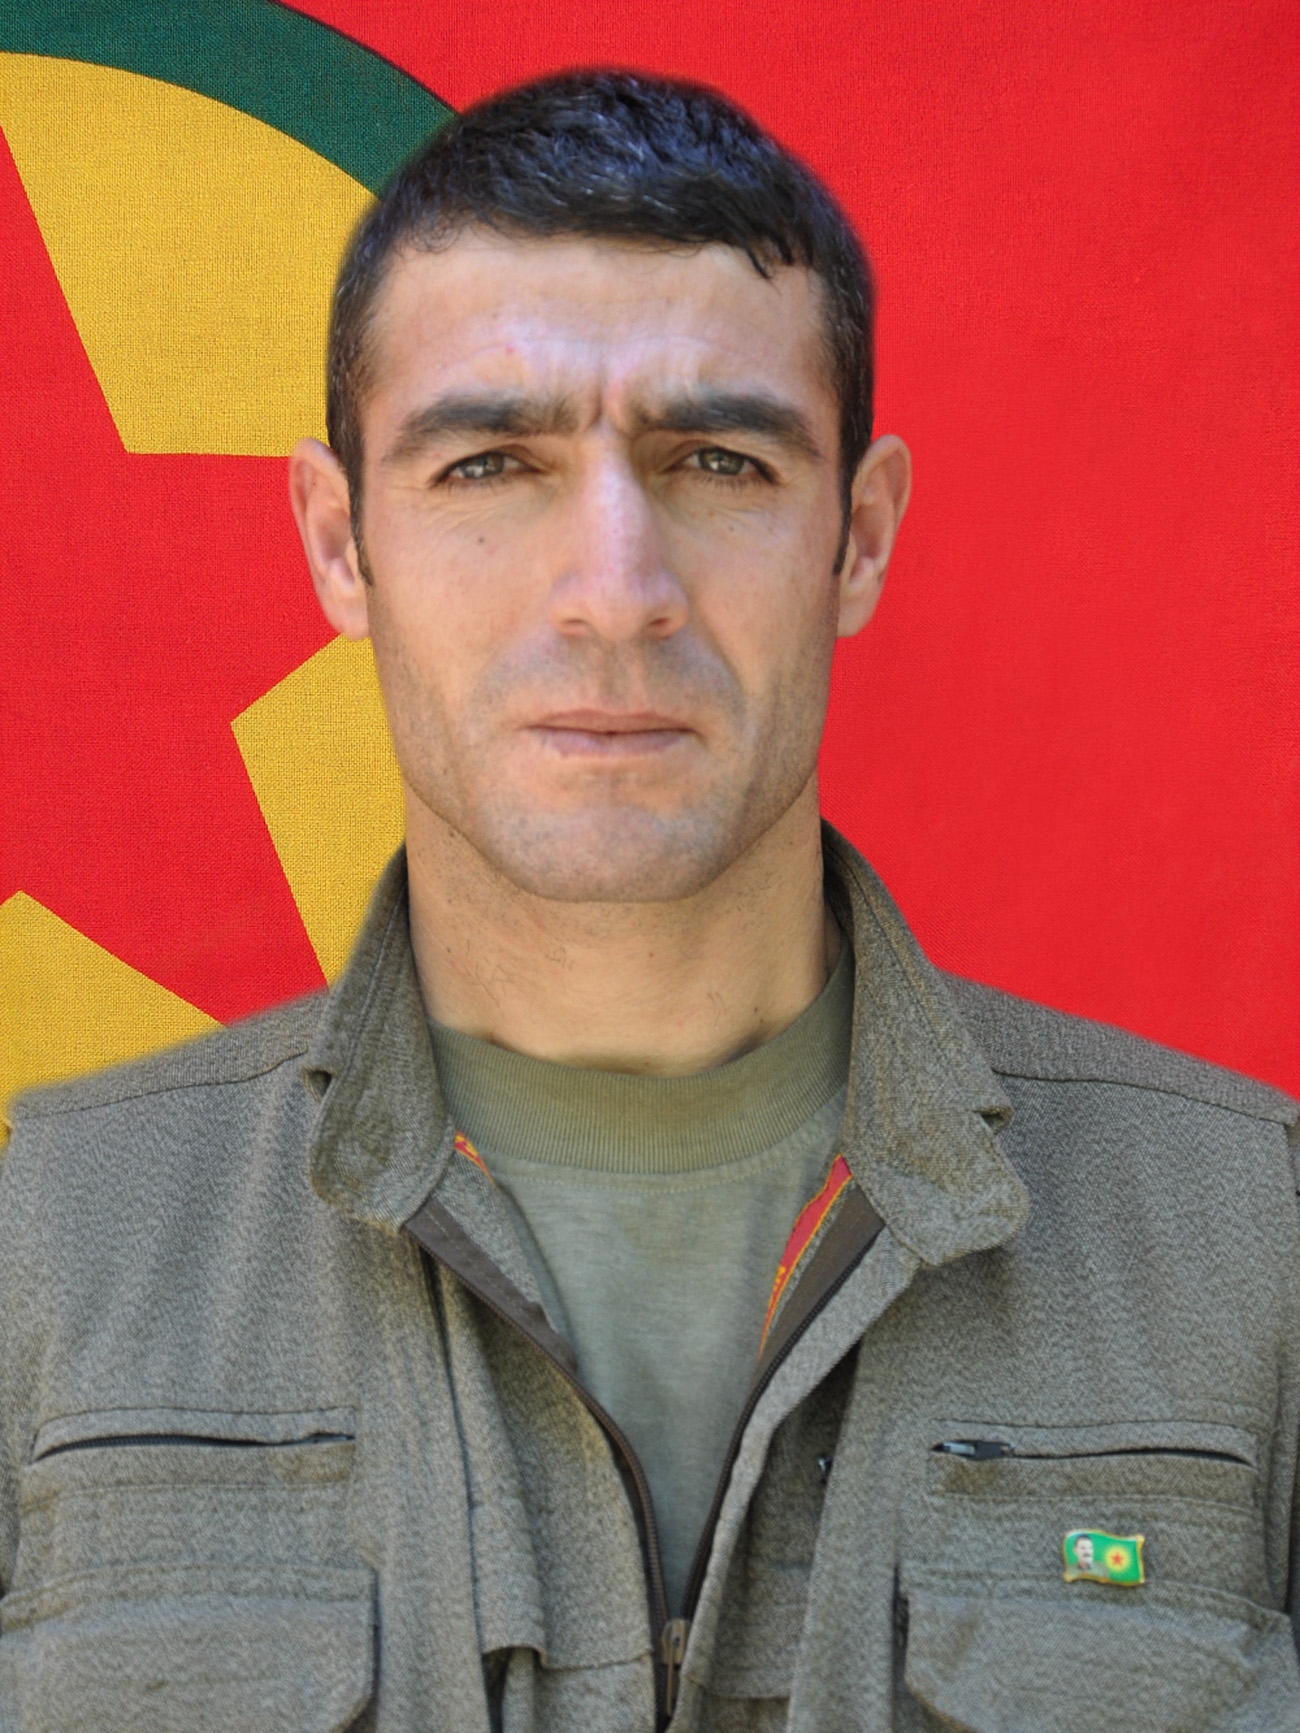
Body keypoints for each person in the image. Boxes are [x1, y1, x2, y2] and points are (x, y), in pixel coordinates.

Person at [0, 70, 1296, 1733]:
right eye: (490, 464)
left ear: (860, 537)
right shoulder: (49, 1248)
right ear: (340, 541)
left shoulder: (1254, 1241)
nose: (616, 592)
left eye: (719, 461)